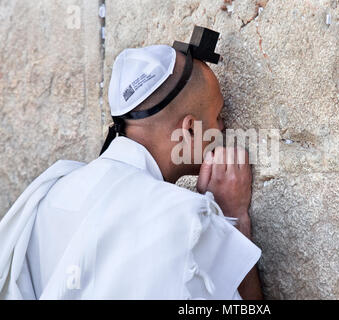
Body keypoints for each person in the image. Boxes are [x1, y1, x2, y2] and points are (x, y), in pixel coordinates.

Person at [0, 44, 263, 300]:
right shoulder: (182, 218)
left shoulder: (50, 192)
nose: (223, 126)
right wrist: (231, 217)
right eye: (217, 115)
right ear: (190, 129)